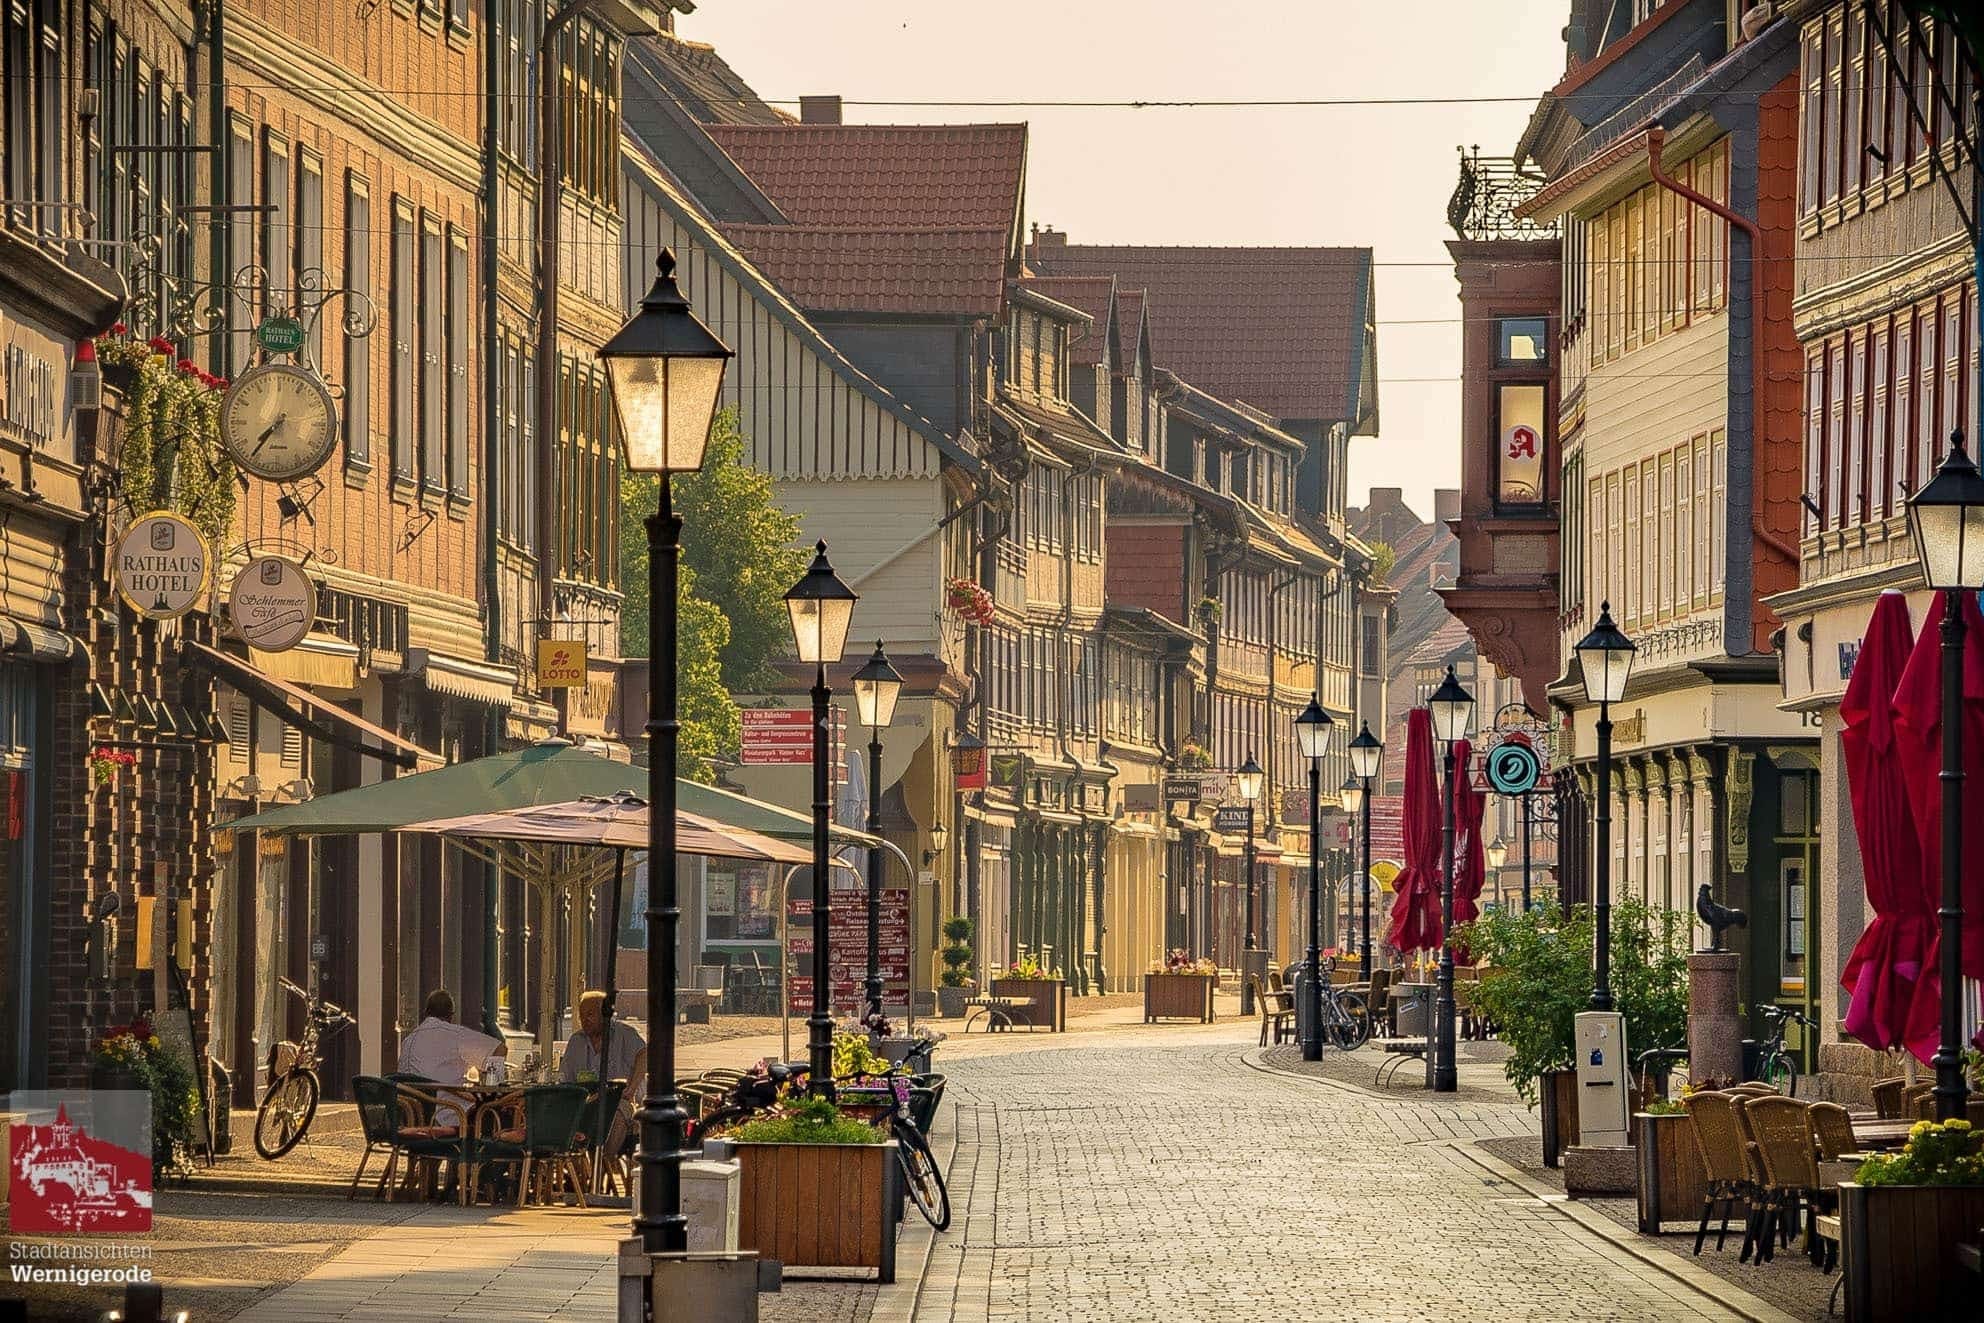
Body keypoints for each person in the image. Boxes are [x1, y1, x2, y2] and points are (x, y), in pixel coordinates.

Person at [396, 989, 505, 1132]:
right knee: (497, 1113)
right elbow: (500, 1049)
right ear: (451, 1015)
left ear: (426, 1013)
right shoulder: (455, 1035)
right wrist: (493, 1085)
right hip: (444, 1115)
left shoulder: (408, 1039)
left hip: (409, 1117)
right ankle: (491, 1150)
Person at [560, 990, 646, 1155]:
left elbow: (644, 1055)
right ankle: (575, 1163)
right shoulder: (576, 1041)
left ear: (605, 1014)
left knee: (619, 1112)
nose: (585, 1019)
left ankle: (603, 1162)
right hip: (586, 1100)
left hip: (619, 1099)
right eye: (582, 1015)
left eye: (590, 1014)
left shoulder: (624, 1034)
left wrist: (631, 1088)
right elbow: (565, 1077)